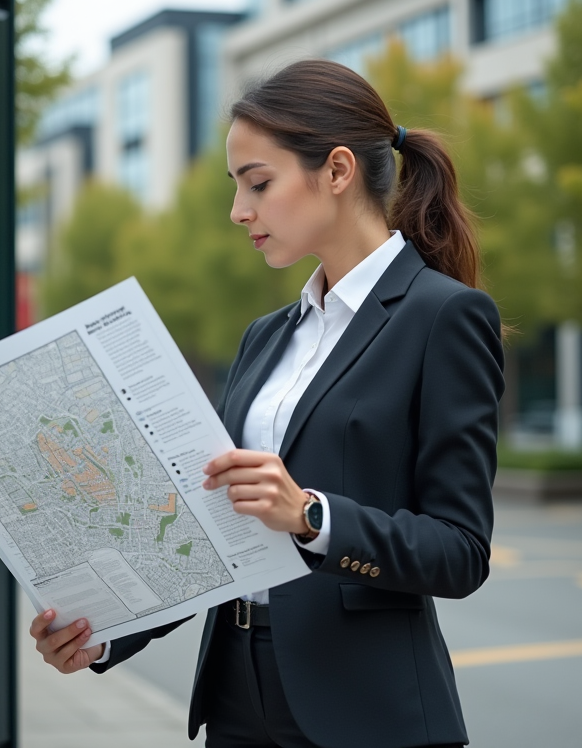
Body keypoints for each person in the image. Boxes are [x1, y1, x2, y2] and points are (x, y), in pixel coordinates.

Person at [29, 58, 504, 748]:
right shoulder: (266, 337)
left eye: (259, 183)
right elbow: (214, 536)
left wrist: (313, 518)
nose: (238, 211)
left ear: (337, 171)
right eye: (237, 187)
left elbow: (460, 552)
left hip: (366, 713)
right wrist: (101, 638)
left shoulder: (445, 316)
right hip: (235, 700)